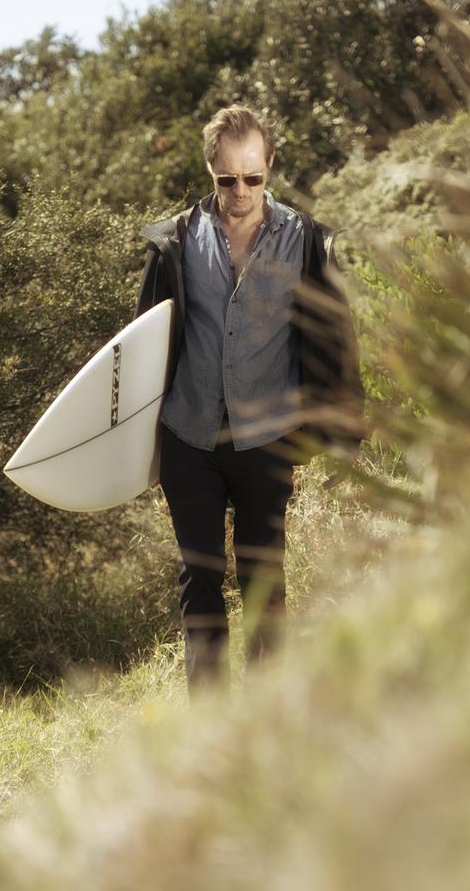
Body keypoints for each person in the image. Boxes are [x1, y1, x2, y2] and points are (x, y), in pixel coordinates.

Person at [134, 105, 364, 693]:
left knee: (264, 583)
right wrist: (139, 445)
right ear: (210, 169)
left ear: (270, 168)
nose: (241, 192)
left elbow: (336, 339)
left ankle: (265, 720)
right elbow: (142, 345)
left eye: (253, 178)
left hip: (266, 438)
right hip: (190, 438)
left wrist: (343, 432)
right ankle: (207, 731)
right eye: (227, 179)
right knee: (200, 584)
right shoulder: (177, 241)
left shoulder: (306, 240)